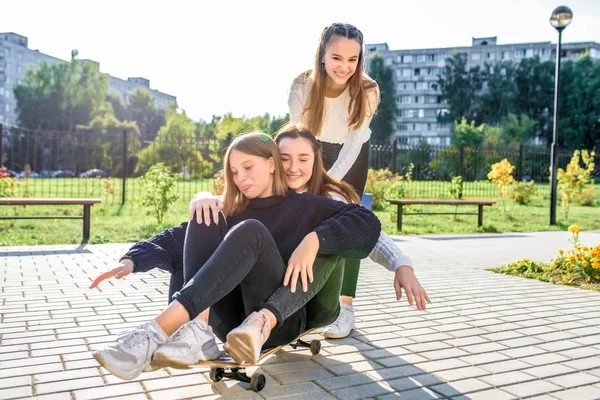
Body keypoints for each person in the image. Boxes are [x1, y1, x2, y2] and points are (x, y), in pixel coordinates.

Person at [90, 132, 381, 380]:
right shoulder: (232, 209)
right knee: (205, 216)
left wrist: (315, 238)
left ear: (270, 164)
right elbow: (176, 238)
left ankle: (155, 332)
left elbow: (366, 223)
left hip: (281, 321)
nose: (240, 178)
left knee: (250, 231)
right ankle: (196, 332)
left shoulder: (307, 206)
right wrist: (132, 260)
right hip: (231, 323)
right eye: (234, 171)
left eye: (247, 167)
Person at [190, 124, 430, 339]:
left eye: (303, 159)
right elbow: (226, 207)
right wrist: (203, 197)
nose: (294, 167)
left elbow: (369, 233)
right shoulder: (264, 192)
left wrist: (401, 265)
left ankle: (344, 308)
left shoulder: (332, 196)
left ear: (316, 160)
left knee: (329, 235)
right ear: (272, 160)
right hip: (271, 290)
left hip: (317, 303)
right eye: (285, 158)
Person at [288, 23, 380, 336]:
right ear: (323, 56)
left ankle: (346, 307)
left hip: (352, 156)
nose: (345, 67)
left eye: (353, 59)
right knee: (305, 222)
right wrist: (305, 178)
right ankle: (302, 303)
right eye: (337, 57)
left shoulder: (367, 90)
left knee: (349, 224)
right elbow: (299, 135)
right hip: (313, 149)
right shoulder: (302, 84)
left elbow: (354, 143)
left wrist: (328, 184)